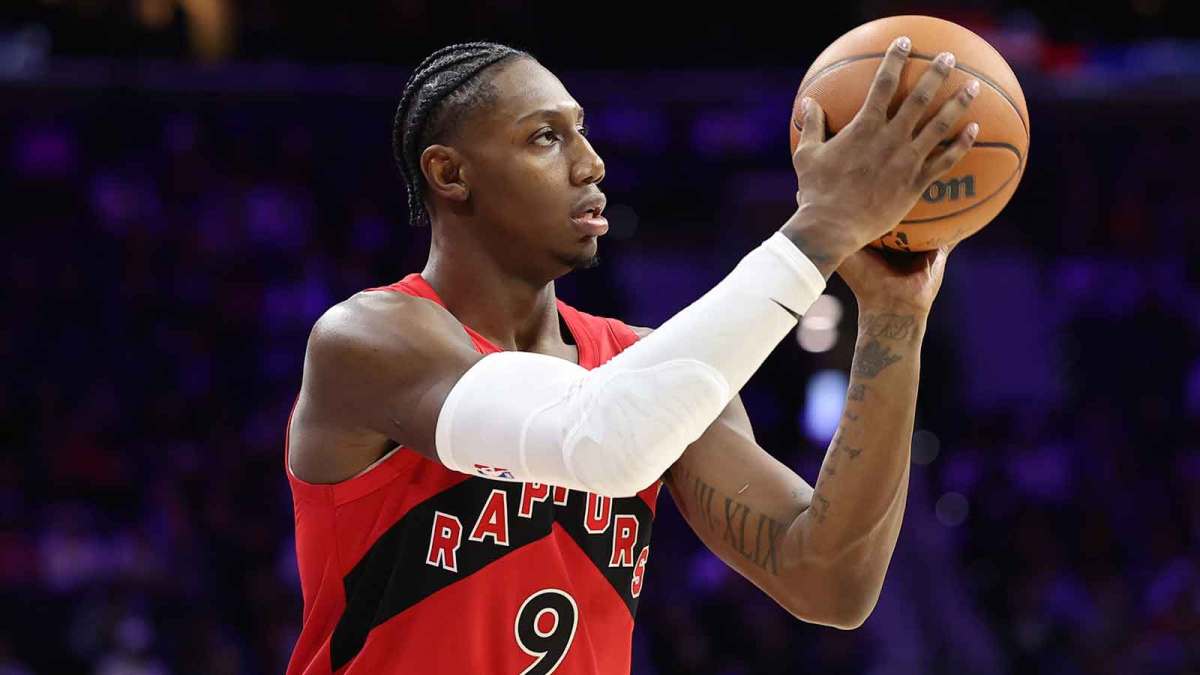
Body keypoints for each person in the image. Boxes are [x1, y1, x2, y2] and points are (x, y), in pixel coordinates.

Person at [284, 38, 980, 674]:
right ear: (450, 172)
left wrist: (895, 318)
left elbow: (829, 580)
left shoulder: (641, 365)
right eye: (546, 137)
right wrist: (822, 228)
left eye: (582, 130)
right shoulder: (367, 342)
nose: (591, 161)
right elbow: (603, 438)